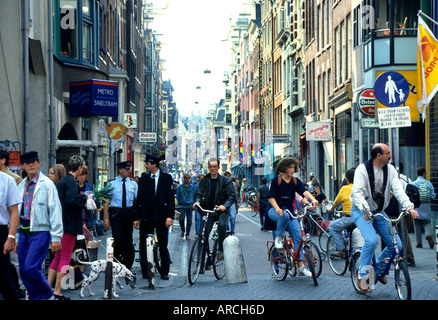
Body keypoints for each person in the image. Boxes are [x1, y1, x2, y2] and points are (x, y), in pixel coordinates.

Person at [350, 143, 418, 293]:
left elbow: (398, 190)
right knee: (371, 240)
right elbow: (357, 194)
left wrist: (409, 207)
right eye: (387, 153)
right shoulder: (362, 169)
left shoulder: (390, 169)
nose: (390, 156)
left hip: (380, 212)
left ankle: (378, 269)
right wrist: (366, 211)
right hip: (361, 211)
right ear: (378, 155)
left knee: (397, 245)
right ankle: (362, 275)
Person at [16, 151, 63, 300]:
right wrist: (16, 236)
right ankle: (35, 296)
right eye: (28, 163)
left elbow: (55, 210)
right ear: (23, 165)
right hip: (23, 231)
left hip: (41, 231)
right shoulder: (22, 185)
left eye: (34, 161)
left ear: (38, 163)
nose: (31, 165)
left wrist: (56, 237)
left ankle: (48, 295)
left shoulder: (47, 184)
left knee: (31, 267)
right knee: (23, 270)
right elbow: (18, 211)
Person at [266, 157, 318, 277]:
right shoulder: (276, 180)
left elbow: (303, 192)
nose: (292, 169)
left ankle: (301, 267)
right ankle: (278, 238)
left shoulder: (295, 181)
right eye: (290, 167)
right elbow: (272, 198)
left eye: (294, 167)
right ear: (283, 168)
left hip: (289, 212)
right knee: (283, 215)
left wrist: (313, 199)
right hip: (274, 210)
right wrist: (278, 208)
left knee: (298, 237)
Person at [48, 155, 88, 300]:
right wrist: (85, 198)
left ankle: (49, 286)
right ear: (79, 168)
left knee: (57, 257)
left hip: (59, 224)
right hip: (69, 225)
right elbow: (72, 201)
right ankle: (57, 290)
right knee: (65, 258)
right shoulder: (72, 181)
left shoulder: (61, 182)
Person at [135, 154, 174, 280]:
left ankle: (164, 271)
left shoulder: (167, 178)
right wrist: (137, 217)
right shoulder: (143, 178)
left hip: (161, 217)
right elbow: (139, 199)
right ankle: (146, 271)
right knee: (144, 244)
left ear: (154, 164)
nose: (146, 165)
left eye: (147, 163)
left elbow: (170, 199)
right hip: (146, 217)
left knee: (163, 244)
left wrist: (170, 216)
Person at [193, 158, 235, 260]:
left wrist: (225, 205)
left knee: (221, 225)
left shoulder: (226, 181)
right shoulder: (204, 181)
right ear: (208, 167)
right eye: (210, 166)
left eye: (214, 166)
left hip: (222, 210)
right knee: (204, 233)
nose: (212, 169)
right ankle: (202, 262)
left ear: (218, 167)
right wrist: (197, 201)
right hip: (210, 210)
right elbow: (198, 192)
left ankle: (221, 250)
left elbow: (231, 196)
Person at [103, 161, 138, 270]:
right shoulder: (112, 184)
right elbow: (106, 202)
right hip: (116, 214)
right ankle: (117, 264)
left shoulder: (133, 184)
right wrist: (105, 218)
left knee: (128, 240)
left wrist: (136, 218)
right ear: (120, 170)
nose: (128, 171)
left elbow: (136, 202)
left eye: (129, 169)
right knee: (117, 239)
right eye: (126, 169)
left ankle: (127, 266)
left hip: (128, 213)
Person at [0, 172, 21, 300]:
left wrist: (11, 237)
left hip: (1, 231)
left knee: (3, 277)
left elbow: (14, 211)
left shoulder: (8, 180)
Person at [327, 168, 355, 257]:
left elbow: (336, 202)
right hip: (362, 218)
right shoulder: (361, 187)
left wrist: (331, 209)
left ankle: (342, 250)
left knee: (332, 226)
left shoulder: (344, 189)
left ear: (347, 179)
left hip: (349, 218)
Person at [412, 166, 436, 249]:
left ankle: (419, 243)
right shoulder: (428, 184)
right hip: (426, 206)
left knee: (417, 224)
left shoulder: (413, 183)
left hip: (417, 206)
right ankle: (428, 235)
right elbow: (433, 195)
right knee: (427, 223)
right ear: (423, 173)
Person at [77, 166, 96, 242]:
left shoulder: (89, 187)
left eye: (84, 174)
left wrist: (92, 199)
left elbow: (96, 203)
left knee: (86, 242)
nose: (82, 177)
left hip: (87, 218)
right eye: (80, 174)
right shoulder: (74, 186)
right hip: (77, 218)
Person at [176, 173, 196, 240]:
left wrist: (194, 203)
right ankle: (183, 230)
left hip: (190, 206)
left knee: (189, 220)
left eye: (188, 178)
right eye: (186, 178)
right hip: (182, 206)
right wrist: (179, 203)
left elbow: (195, 196)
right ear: (184, 179)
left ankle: (187, 233)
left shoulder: (192, 187)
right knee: (181, 219)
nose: (187, 180)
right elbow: (178, 196)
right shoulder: (180, 187)